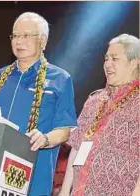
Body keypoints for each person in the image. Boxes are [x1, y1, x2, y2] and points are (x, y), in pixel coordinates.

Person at [0, 12, 77, 196]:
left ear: (43, 41)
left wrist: (45, 139)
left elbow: (65, 130)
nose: (18, 41)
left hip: (34, 173)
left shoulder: (60, 79)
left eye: (26, 35)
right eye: (15, 36)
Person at [59, 34, 140, 196]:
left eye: (115, 59)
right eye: (106, 59)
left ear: (134, 63)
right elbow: (76, 147)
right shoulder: (94, 100)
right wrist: (64, 191)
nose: (108, 64)